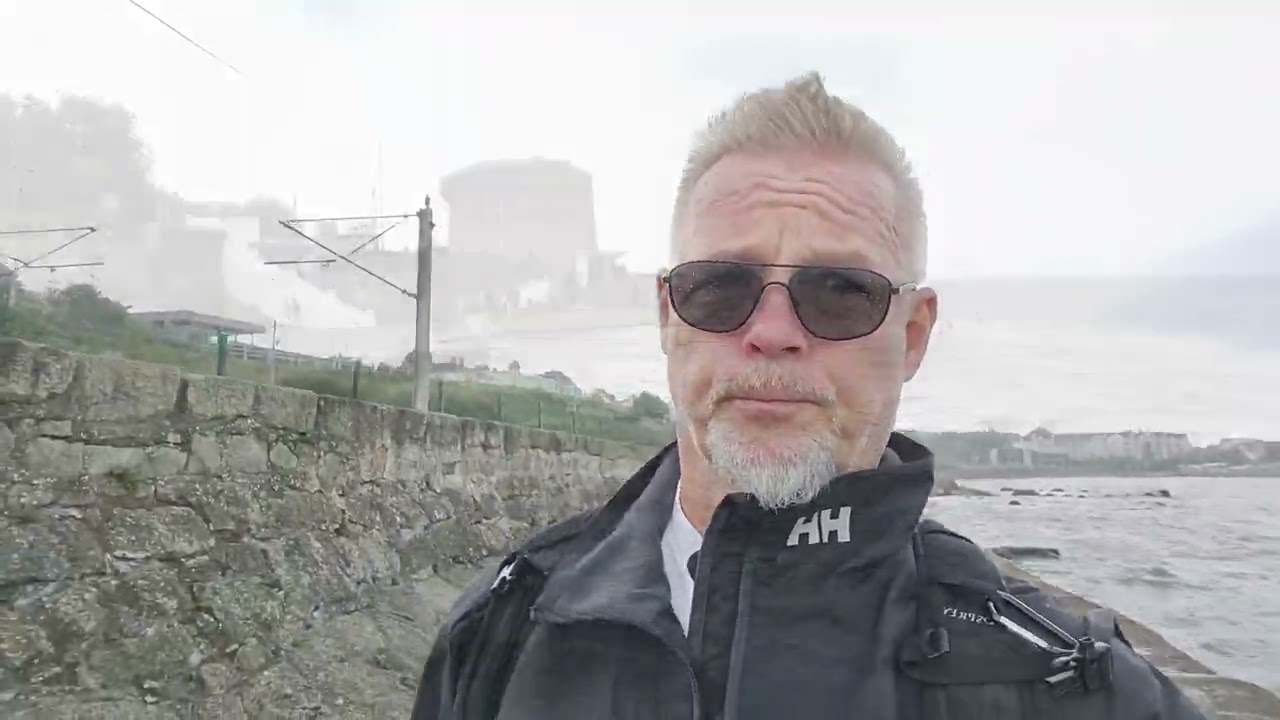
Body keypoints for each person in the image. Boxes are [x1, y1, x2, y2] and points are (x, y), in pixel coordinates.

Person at [410, 72, 1208, 720]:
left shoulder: (1080, 691)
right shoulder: (500, 632)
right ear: (666, 315)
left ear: (914, 334)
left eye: (840, 292)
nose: (773, 331)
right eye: (720, 286)